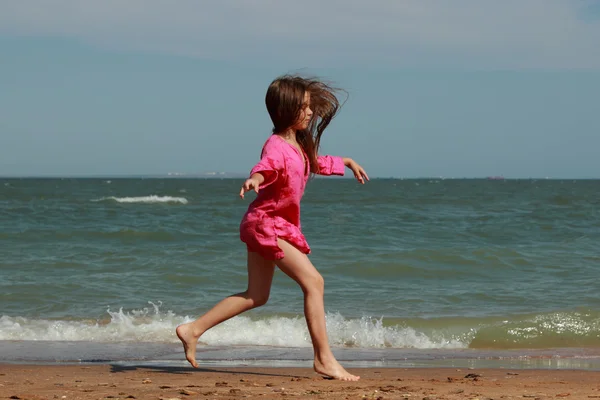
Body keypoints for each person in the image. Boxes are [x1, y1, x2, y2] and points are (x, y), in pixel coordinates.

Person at [176, 75, 369, 381]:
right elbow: (266, 166)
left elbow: (314, 163)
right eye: (303, 107)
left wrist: (345, 161)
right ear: (284, 109)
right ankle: (324, 359)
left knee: (257, 295)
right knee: (314, 283)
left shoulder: (298, 144)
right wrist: (255, 179)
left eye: (310, 107)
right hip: (267, 224)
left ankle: (192, 329)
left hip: (266, 223)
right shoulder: (276, 145)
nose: (309, 112)